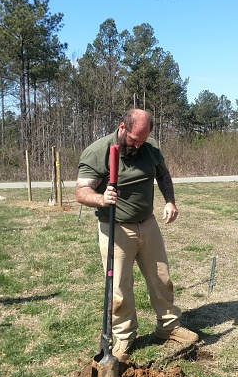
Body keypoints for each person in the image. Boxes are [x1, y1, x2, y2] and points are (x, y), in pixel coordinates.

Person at [75, 108, 199, 361]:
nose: (137, 145)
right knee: (119, 288)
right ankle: (123, 337)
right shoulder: (98, 151)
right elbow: (81, 191)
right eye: (133, 139)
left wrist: (170, 201)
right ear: (122, 128)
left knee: (161, 278)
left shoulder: (150, 148)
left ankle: (169, 327)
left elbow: (163, 175)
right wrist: (100, 198)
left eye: (142, 140)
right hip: (116, 227)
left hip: (148, 224)